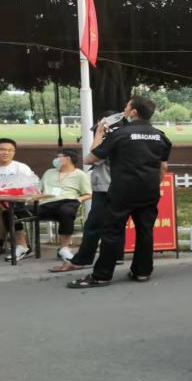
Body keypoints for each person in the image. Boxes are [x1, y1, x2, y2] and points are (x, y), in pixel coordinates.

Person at [68, 96, 171, 288]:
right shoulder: (160, 136)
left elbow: (91, 159)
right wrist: (153, 184)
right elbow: (163, 166)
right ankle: (142, 271)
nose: (124, 110)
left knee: (112, 231)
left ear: (134, 112)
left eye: (126, 107)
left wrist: (99, 133)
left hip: (123, 190)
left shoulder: (121, 134)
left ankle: (102, 275)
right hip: (149, 191)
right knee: (145, 230)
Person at [49, 112, 120, 273]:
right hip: (120, 187)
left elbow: (91, 157)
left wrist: (99, 133)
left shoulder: (111, 139)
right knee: (115, 226)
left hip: (105, 188)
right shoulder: (126, 137)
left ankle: (83, 261)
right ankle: (118, 258)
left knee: (93, 226)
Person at [0, 138, 37, 261]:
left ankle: (7, 243)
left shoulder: (21, 168)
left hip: (18, 203)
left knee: (2, 207)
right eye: (2, 149)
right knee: (0, 206)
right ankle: (20, 245)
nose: (6, 153)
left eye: (10, 150)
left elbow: (31, 188)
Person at [37, 149, 92, 260]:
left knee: (66, 212)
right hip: (46, 202)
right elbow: (38, 189)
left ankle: (64, 248)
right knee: (17, 213)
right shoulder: (49, 172)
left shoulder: (80, 175)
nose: (56, 160)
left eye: (59, 157)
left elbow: (89, 193)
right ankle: (22, 246)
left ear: (68, 159)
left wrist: (78, 200)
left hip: (67, 201)